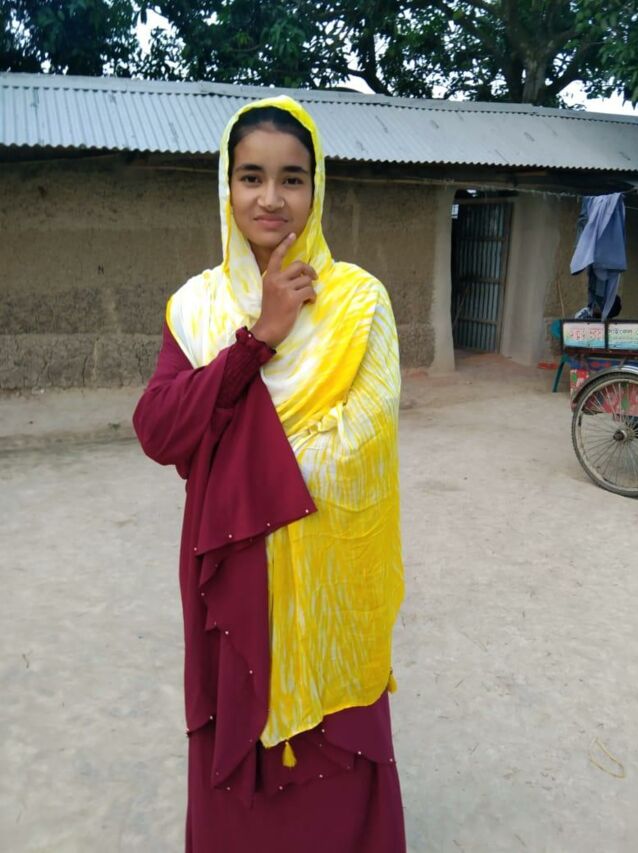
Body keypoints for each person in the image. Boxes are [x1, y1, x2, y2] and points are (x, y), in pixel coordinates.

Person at [133, 96, 405, 852]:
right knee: (238, 728)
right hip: (234, 571)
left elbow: (362, 442)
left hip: (328, 576)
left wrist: (226, 450)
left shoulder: (359, 303)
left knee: (334, 746)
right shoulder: (197, 307)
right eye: (251, 176)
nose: (271, 198)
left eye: (292, 178)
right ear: (226, 186)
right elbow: (158, 429)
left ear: (318, 189)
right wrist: (259, 338)